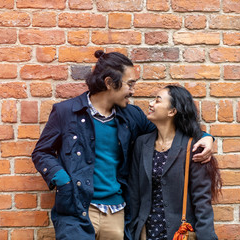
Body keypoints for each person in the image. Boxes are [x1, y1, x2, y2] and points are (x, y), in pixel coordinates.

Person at [31, 51, 214, 240]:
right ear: (110, 83)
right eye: (130, 84)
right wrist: (63, 180)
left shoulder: (131, 116)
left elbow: (168, 129)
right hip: (78, 211)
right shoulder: (66, 112)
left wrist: (206, 136)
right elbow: (41, 152)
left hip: (117, 214)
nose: (133, 91)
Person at [129, 85, 221, 240]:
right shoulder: (141, 143)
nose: (151, 104)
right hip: (146, 233)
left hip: (178, 234)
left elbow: (202, 201)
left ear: (172, 111)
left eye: (157, 101)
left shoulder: (192, 146)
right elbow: (133, 194)